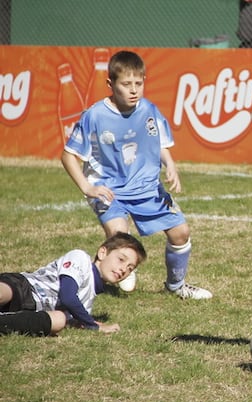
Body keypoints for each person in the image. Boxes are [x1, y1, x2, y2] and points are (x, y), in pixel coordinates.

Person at [61, 50, 212, 300]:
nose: (133, 90)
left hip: (147, 188)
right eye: (126, 84)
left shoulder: (149, 110)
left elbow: (160, 142)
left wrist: (170, 165)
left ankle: (176, 286)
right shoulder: (94, 115)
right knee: (120, 238)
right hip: (109, 189)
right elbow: (68, 155)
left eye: (138, 84)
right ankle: (85, 282)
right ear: (110, 84)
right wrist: (87, 188)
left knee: (181, 232)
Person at [0, 232, 147, 336]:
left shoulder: (87, 302)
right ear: (102, 253)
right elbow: (67, 296)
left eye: (130, 268)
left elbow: (73, 319)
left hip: (31, 311)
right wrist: (92, 325)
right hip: (25, 287)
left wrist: (84, 323)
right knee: (5, 292)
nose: (123, 269)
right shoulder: (81, 259)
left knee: (59, 320)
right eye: (121, 259)